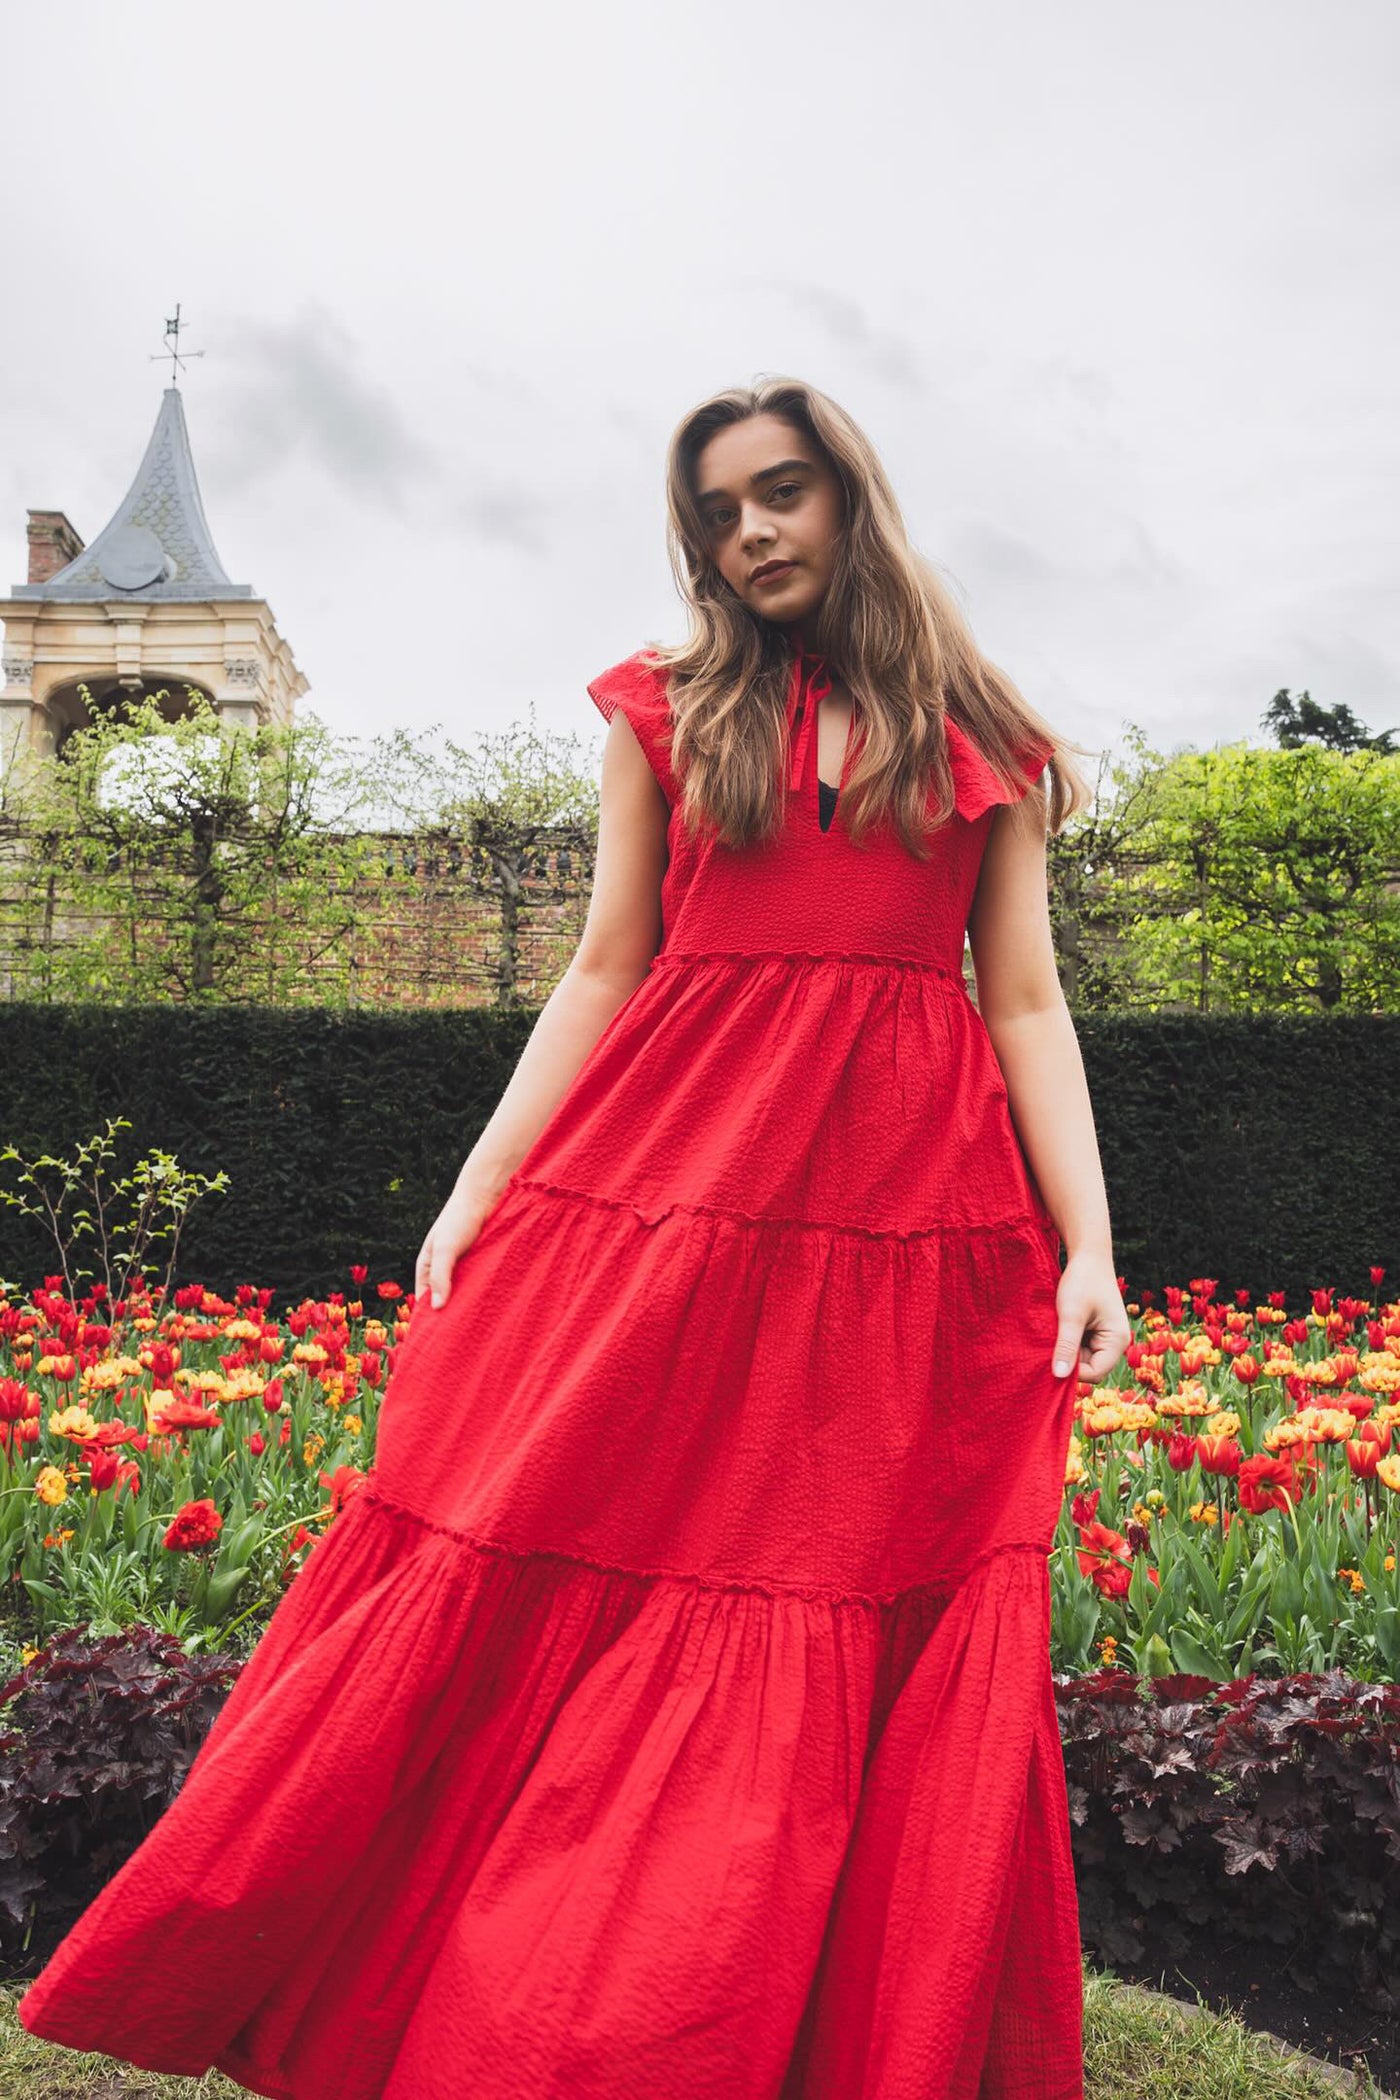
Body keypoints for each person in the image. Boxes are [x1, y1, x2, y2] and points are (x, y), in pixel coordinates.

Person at [16, 376, 1130, 2099]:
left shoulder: (988, 743)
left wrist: (1091, 1249)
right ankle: (515, 1983)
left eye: (780, 493)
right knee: (563, 1536)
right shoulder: (669, 714)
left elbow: (1031, 1002)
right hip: (666, 1198)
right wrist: (474, 1192)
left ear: (851, 497)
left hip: (904, 1231)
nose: (750, 532)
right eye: (716, 512)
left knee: (832, 1578)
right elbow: (608, 964)